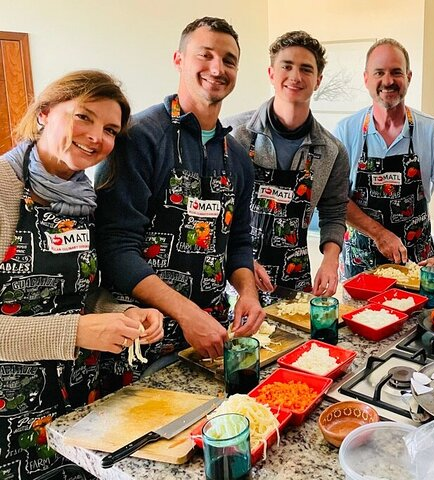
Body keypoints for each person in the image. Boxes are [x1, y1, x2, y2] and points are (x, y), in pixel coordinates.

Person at [0, 70, 164, 480]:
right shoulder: (4, 187)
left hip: (84, 400)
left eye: (110, 129)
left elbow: (81, 294)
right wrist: (74, 331)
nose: (97, 137)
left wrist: (125, 311)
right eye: (84, 117)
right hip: (15, 414)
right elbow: (74, 320)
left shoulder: (83, 194)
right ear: (44, 113)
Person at [94, 17, 264, 390]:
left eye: (229, 60)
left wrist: (248, 293)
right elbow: (116, 250)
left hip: (213, 337)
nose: (217, 68)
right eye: (205, 55)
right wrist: (187, 313)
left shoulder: (236, 156)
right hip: (142, 337)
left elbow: (237, 243)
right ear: (179, 59)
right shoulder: (138, 138)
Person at [225, 31, 349, 301]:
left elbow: (334, 212)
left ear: (318, 81)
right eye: (287, 66)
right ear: (271, 73)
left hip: (295, 278)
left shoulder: (332, 150)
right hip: (234, 278)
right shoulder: (234, 134)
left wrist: (330, 260)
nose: (295, 76)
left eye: (306, 69)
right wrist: (241, 263)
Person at [334, 38, 434, 278]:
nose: (388, 81)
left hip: (419, 262)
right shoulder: (345, 131)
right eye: (379, 72)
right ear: (366, 79)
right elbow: (336, 198)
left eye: (396, 72)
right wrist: (379, 234)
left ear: (409, 77)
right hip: (361, 264)